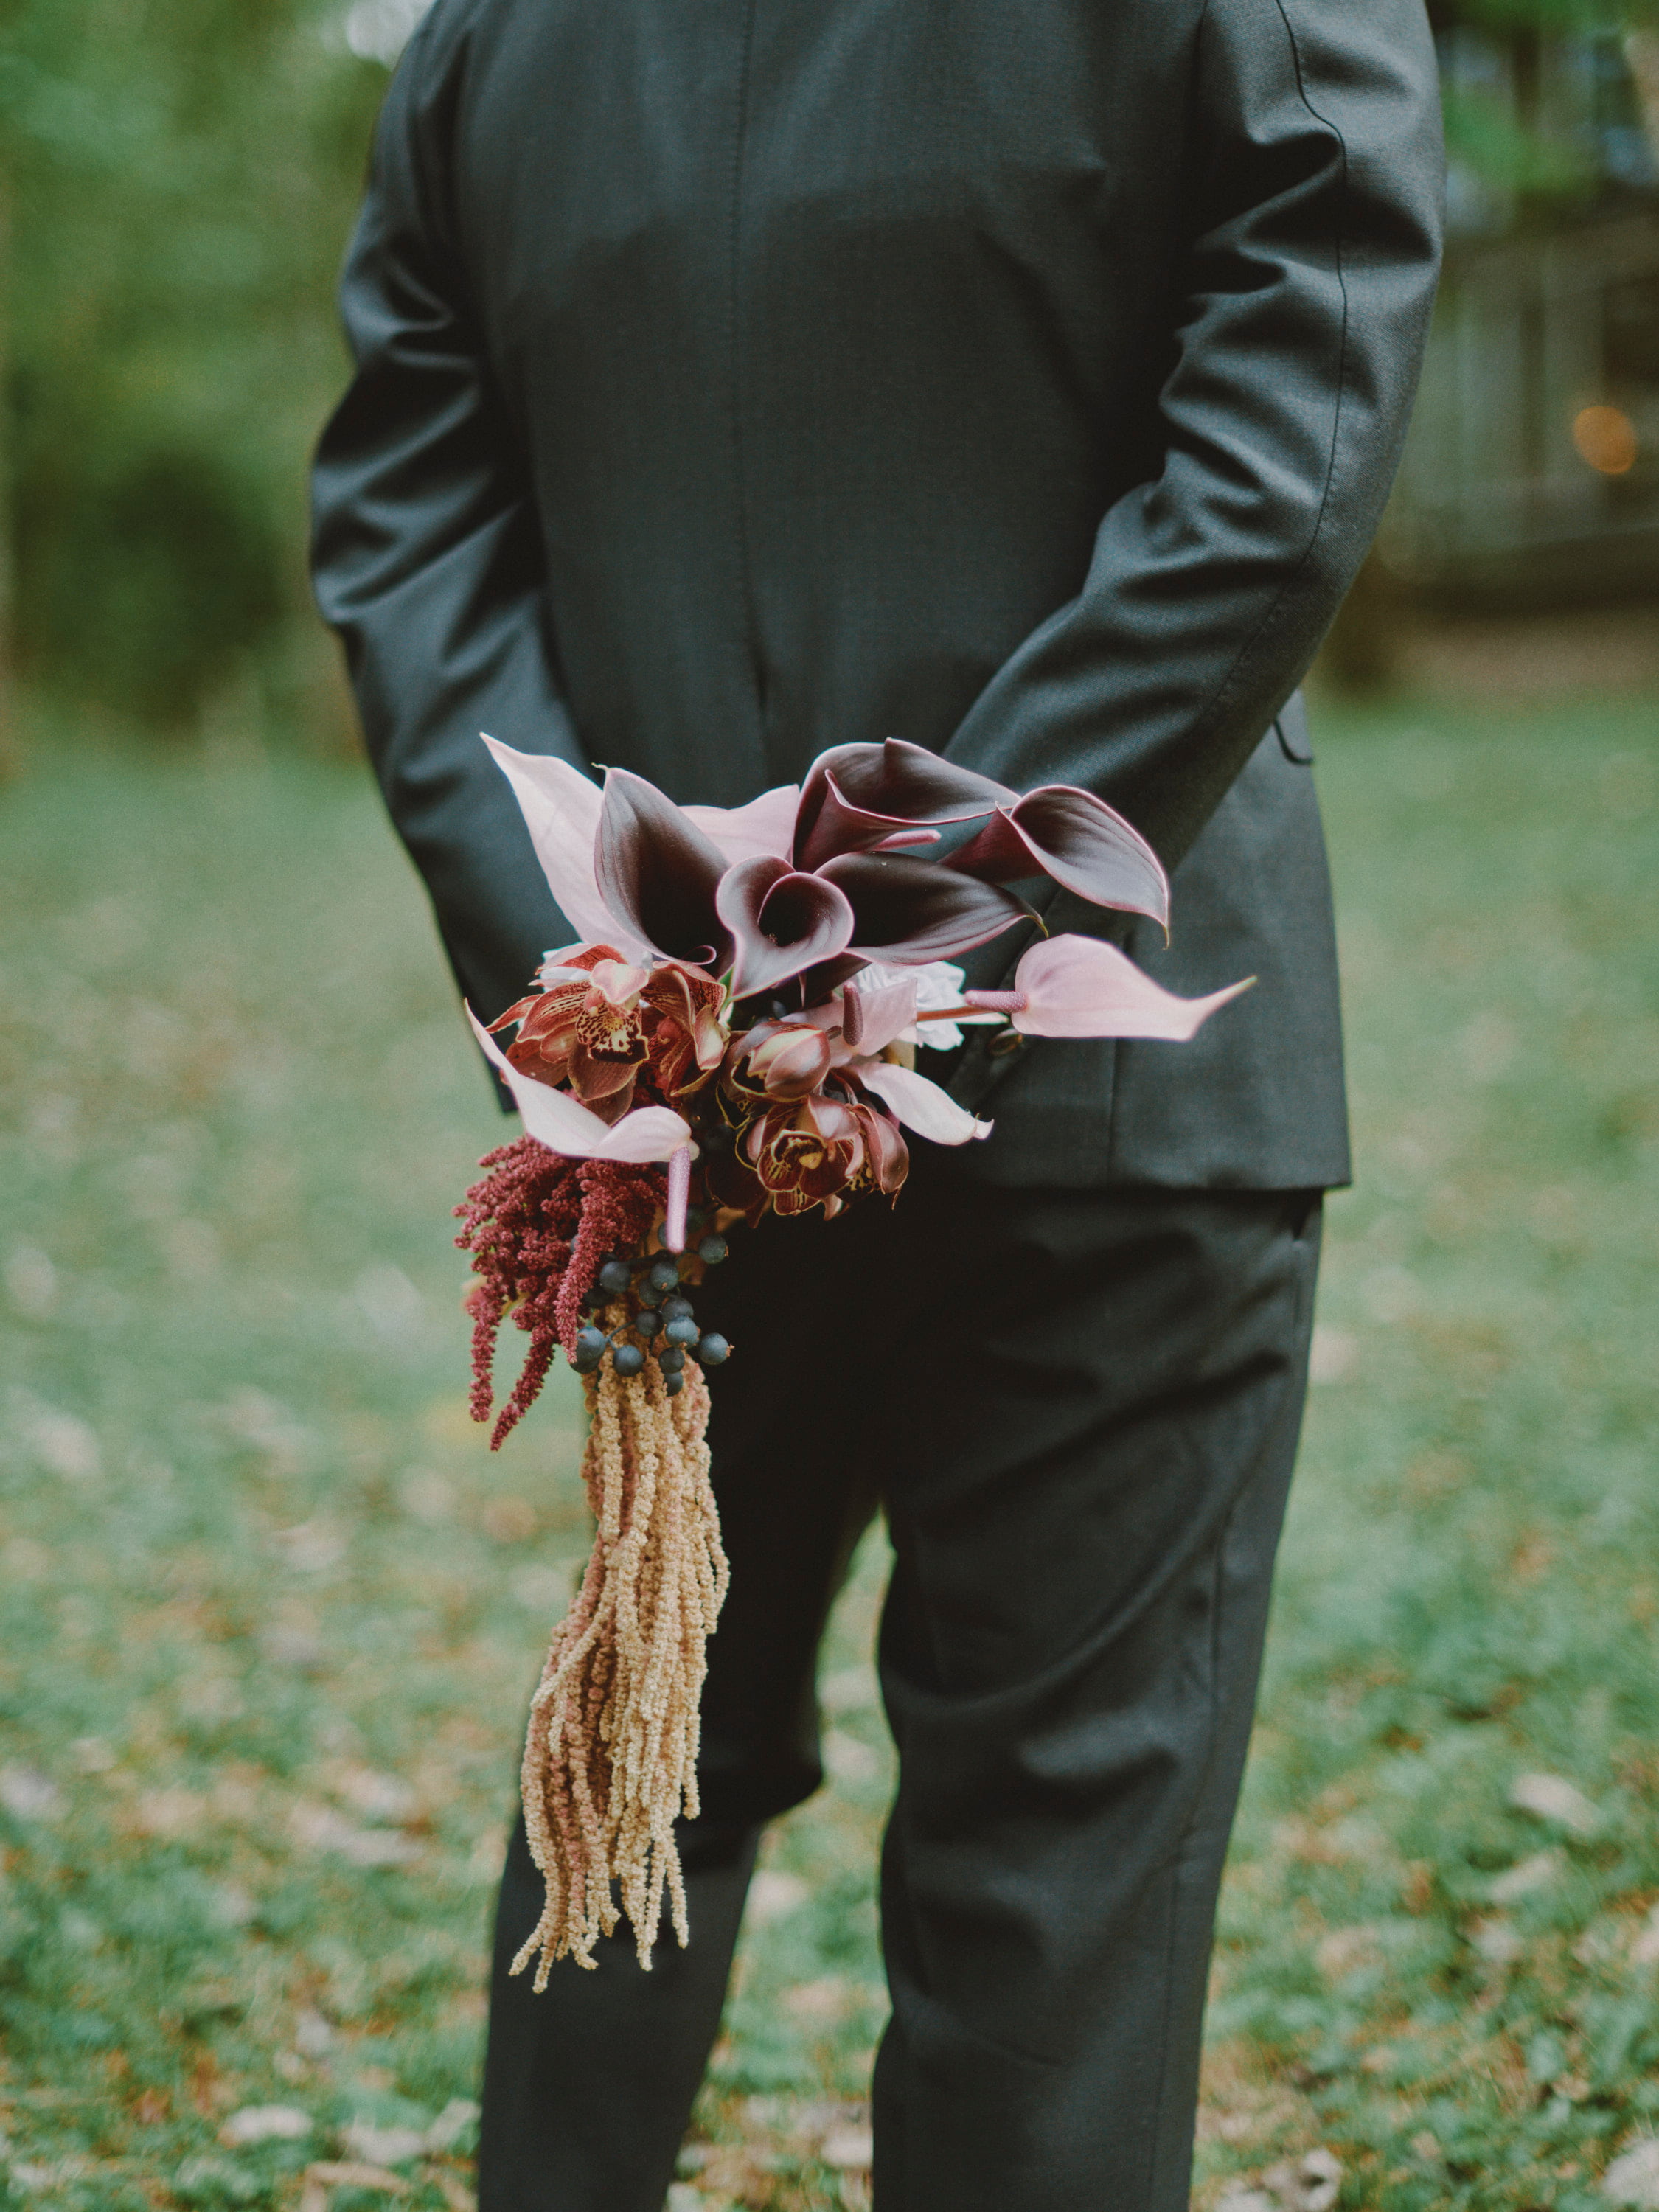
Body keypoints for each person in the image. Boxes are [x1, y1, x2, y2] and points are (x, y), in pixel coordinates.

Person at [310, 2, 1443, 2203]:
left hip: (678, 1082)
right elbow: (1280, 450)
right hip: (1116, 1032)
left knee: (646, 1749)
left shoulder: (489, 40)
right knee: (1049, 1833)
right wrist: (900, 936)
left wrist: (640, 976)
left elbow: (409, 532)